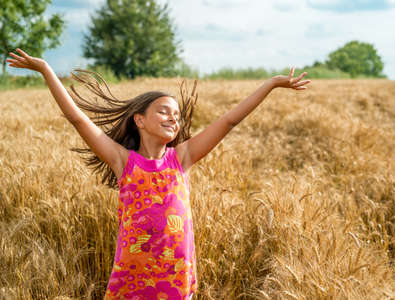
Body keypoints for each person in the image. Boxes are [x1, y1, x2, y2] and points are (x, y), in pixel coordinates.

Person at [7, 48, 311, 299]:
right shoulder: (122, 160)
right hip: (131, 282)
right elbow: (76, 118)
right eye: (164, 111)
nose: (173, 118)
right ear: (139, 120)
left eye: (176, 115)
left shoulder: (182, 157)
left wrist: (271, 84)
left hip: (176, 280)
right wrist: (47, 69)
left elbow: (230, 120)